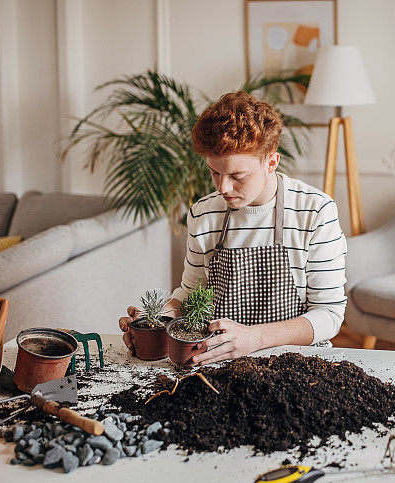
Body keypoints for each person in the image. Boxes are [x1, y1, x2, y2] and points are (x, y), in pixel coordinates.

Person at [119, 91, 347, 364]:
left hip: (298, 363)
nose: (223, 188)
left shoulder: (315, 212)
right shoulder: (204, 214)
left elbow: (329, 315)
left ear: (271, 162)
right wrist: (157, 319)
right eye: (215, 172)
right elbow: (192, 293)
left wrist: (254, 338)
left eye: (237, 176)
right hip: (222, 363)